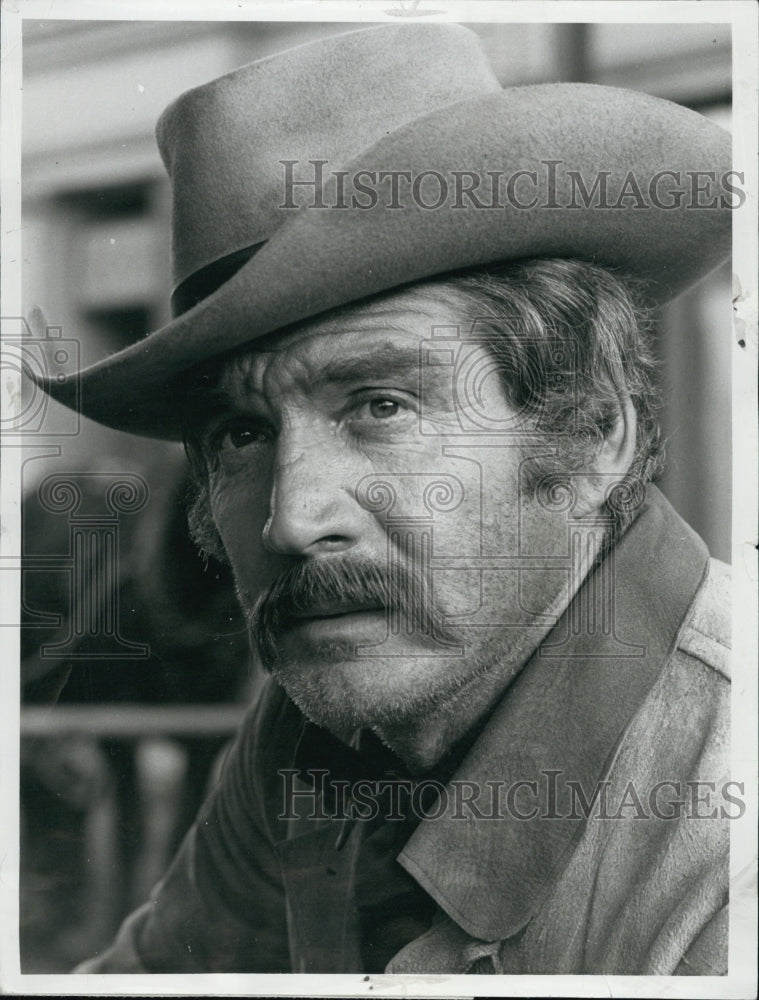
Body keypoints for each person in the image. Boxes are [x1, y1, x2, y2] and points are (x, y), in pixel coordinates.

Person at [38, 23, 734, 975]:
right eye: (241, 434)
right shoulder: (317, 725)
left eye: (379, 403)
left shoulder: (722, 841)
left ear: (592, 435)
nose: (291, 518)